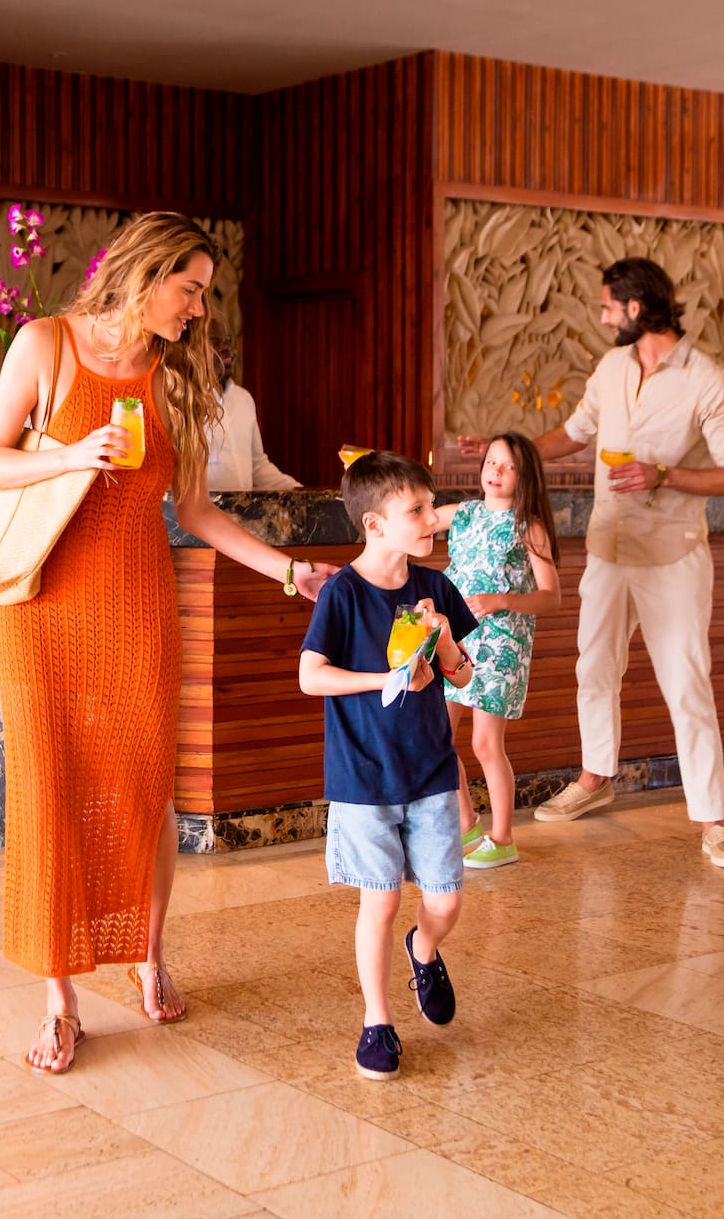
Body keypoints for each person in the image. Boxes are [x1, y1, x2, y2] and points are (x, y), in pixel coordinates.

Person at [0, 213, 337, 1075]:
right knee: (52, 786)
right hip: (44, 600)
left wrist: (288, 573)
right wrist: (69, 456)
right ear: (145, 276)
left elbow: (199, 511)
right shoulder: (45, 344)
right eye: (192, 290)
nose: (199, 311)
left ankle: (147, 949)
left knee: (142, 784)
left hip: (136, 600)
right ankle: (60, 1000)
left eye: (205, 295)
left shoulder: (177, 381)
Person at [458, 256, 724, 869]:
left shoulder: (707, 381)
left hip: (672, 556)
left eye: (606, 307)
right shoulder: (613, 367)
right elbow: (571, 434)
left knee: (686, 684)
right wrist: (504, 448)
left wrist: (665, 474)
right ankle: (596, 779)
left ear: (637, 308)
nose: (601, 317)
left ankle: (715, 821)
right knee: (593, 668)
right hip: (607, 548)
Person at [298, 451, 478, 1082]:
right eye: (418, 510)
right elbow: (309, 676)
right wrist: (388, 677)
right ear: (375, 525)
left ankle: (424, 949)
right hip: (363, 778)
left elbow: (463, 675)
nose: (433, 518)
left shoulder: (435, 587)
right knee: (380, 900)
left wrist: (446, 644)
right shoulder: (343, 594)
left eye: (431, 506)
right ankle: (378, 1021)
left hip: (429, 770)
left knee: (447, 902)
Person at [434, 431, 561, 870]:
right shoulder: (465, 514)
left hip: (502, 646)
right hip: (457, 641)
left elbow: (551, 596)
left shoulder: (530, 527)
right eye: (491, 462)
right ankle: (467, 822)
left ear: (524, 477)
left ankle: (503, 837)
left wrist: (500, 600)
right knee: (438, 738)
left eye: (508, 466)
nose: (496, 472)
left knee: (486, 744)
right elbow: (421, 518)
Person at [204, 319, 299, 492]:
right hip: (203, 515)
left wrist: (296, 490)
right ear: (195, 351)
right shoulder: (186, 403)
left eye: (228, 342)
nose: (227, 349)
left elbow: (257, 466)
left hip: (243, 515)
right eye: (216, 343)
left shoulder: (244, 399)